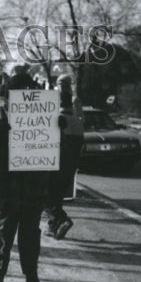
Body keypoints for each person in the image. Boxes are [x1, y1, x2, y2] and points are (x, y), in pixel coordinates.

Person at [0, 68, 63, 282]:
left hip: (31, 183)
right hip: (7, 183)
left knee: (29, 233)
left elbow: (55, 147)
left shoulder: (43, 111)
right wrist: (3, 130)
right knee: (5, 230)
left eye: (31, 90)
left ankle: (30, 277)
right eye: (23, 90)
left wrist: (56, 128)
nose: (28, 93)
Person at [44, 73, 85, 240]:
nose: (61, 86)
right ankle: (54, 227)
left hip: (57, 161)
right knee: (56, 195)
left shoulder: (59, 120)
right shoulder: (76, 123)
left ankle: (61, 219)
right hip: (70, 162)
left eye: (63, 83)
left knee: (46, 195)